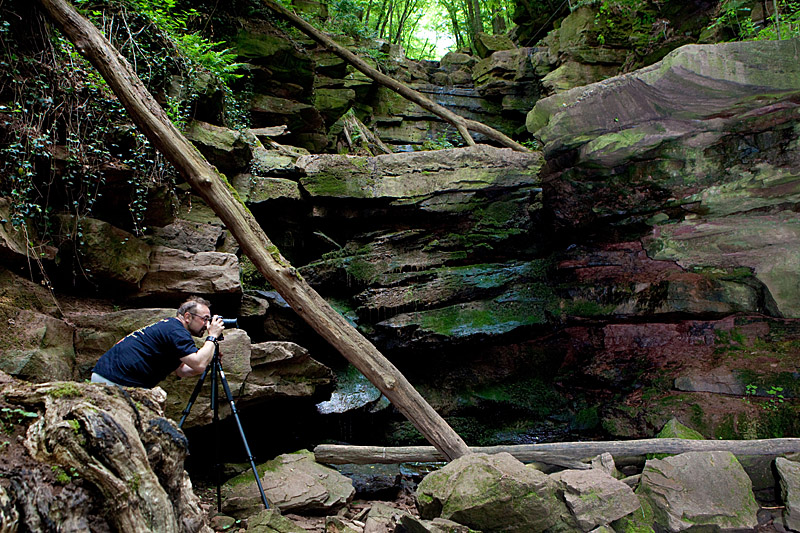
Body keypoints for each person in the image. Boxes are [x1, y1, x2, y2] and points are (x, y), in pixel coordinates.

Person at [91, 296, 225, 388]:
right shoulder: (176, 331)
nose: (207, 324)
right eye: (205, 319)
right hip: (116, 380)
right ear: (188, 317)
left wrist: (208, 360)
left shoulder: (171, 327)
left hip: (109, 375)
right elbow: (198, 364)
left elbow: (182, 371)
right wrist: (212, 336)